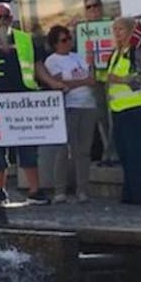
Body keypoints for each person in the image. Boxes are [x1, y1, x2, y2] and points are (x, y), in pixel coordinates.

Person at [0, 3, 66, 205]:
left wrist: (53, 83)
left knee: (28, 146)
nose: (2, 21)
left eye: (6, 16)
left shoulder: (26, 40)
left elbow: (38, 66)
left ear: (12, 18)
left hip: (23, 101)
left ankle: (35, 190)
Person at [107, 17, 141, 204]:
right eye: (114, 29)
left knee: (139, 154)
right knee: (126, 155)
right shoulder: (117, 53)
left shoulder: (138, 51)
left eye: (120, 29)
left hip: (139, 108)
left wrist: (121, 80)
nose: (117, 32)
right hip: (120, 110)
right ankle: (131, 192)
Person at [45, 25, 97, 204]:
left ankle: (82, 189)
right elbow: (60, 82)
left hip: (88, 105)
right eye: (63, 40)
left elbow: (92, 79)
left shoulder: (79, 57)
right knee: (63, 149)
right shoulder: (52, 60)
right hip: (68, 106)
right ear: (55, 43)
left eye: (69, 39)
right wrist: (83, 81)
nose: (68, 43)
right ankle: (60, 190)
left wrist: (80, 80)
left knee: (83, 150)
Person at [81, 0, 118, 166]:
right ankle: (107, 151)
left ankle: (113, 153)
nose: (93, 9)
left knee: (113, 117)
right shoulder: (81, 30)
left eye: (96, 5)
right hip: (94, 80)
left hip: (112, 78)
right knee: (101, 118)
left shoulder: (111, 26)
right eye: (88, 7)